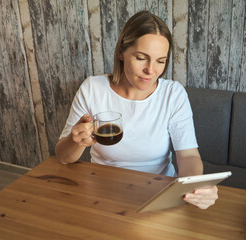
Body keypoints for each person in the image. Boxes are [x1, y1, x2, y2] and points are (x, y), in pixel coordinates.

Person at [55, 11, 218, 209]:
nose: (151, 70)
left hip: (158, 195)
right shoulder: (92, 89)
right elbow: (63, 157)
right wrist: (75, 141)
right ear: (122, 53)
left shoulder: (173, 94)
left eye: (160, 61)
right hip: (101, 194)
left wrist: (195, 187)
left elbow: (189, 156)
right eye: (141, 58)